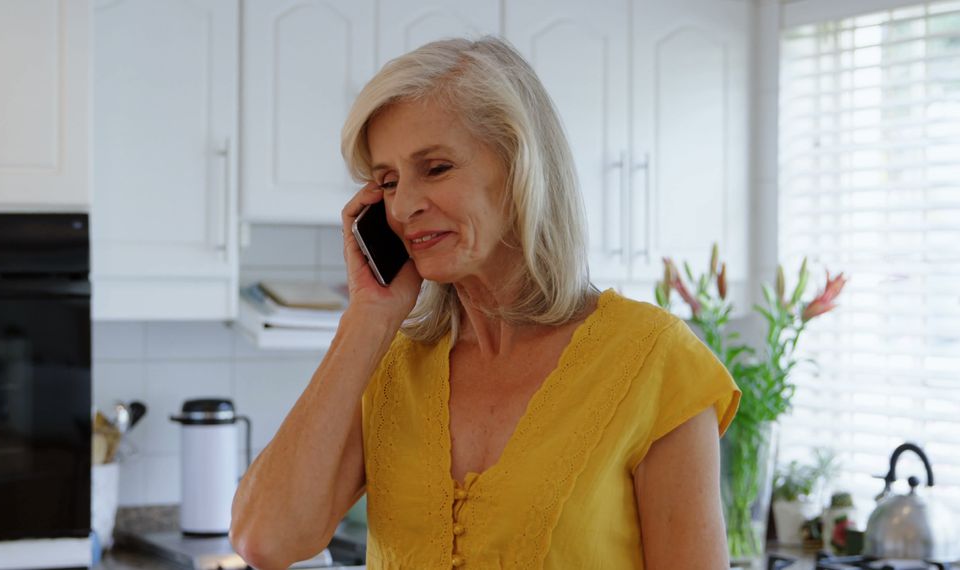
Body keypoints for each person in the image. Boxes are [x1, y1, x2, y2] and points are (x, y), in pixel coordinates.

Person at [230, 36, 740, 569]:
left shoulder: (655, 361)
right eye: (388, 181)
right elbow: (265, 540)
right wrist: (368, 318)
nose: (403, 207)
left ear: (522, 169)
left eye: (436, 168)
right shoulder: (389, 366)